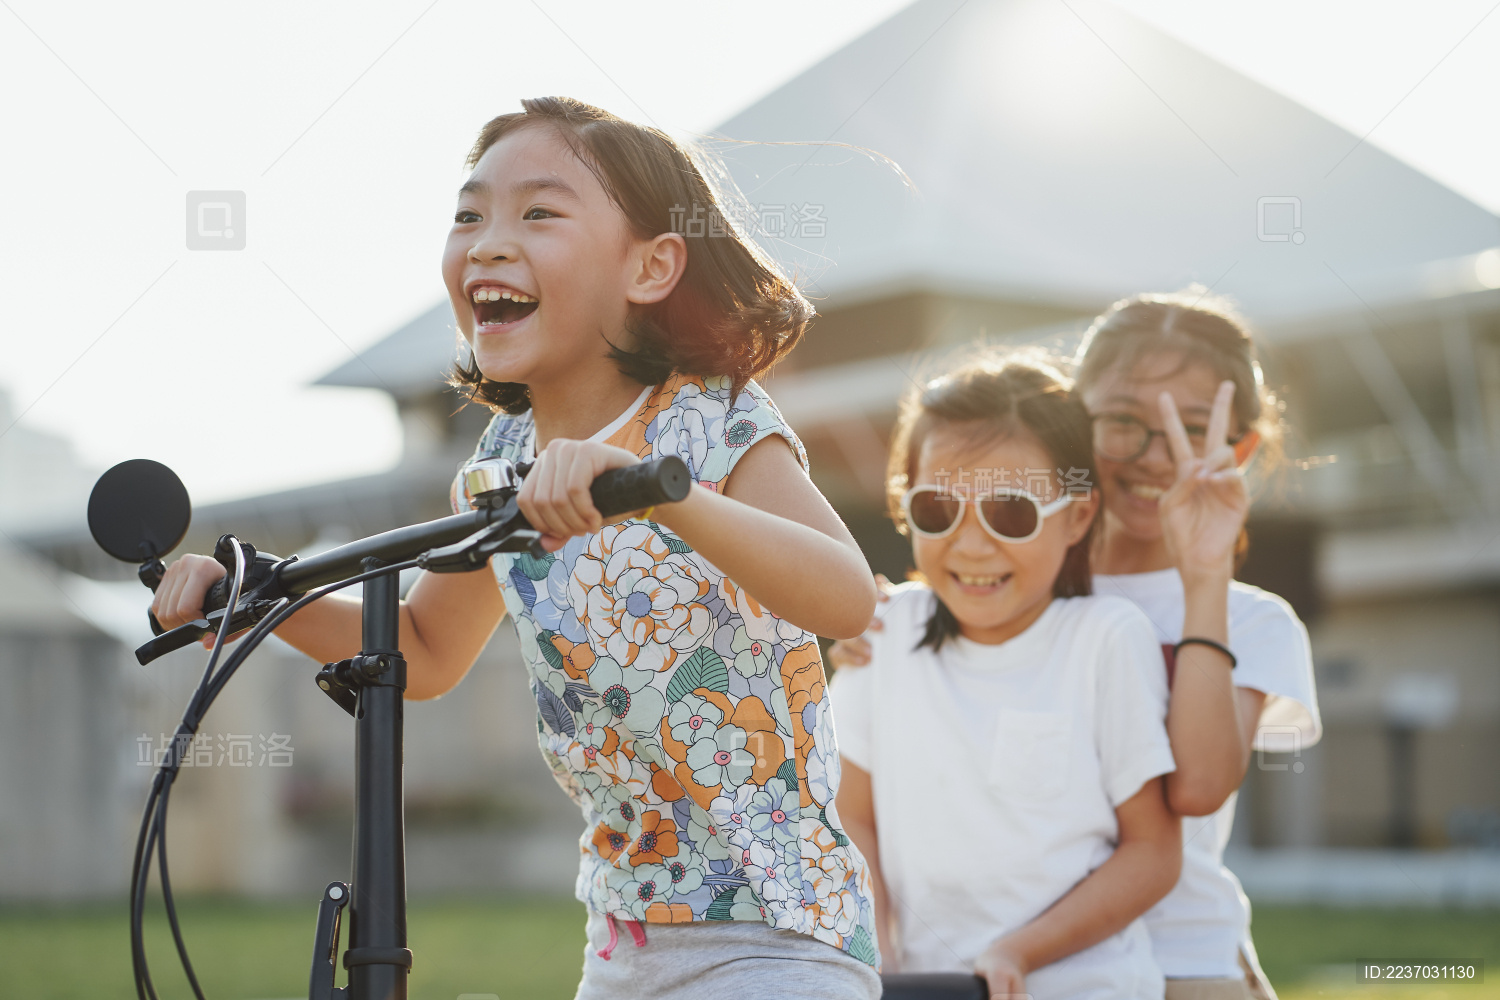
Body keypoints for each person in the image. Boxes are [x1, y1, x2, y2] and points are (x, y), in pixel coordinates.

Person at [152, 97, 884, 1000]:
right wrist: (257, 602)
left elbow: (845, 596)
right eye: (470, 216)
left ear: (652, 266)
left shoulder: (708, 419)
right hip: (623, 940)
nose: (489, 244)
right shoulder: (499, 466)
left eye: (538, 213)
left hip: (779, 932)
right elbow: (422, 649)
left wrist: (661, 491)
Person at [831, 290, 1322, 1000]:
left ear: (1239, 447)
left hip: (1184, 959)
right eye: (1123, 421)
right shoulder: (1005, 579)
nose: (1158, 454)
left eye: (1192, 429)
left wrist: (1204, 576)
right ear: (1077, 419)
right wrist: (874, 621)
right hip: (985, 971)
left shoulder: (1248, 620)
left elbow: (1196, 788)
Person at [829, 353, 1183, 1000]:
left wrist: (1018, 953)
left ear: (1077, 517)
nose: (971, 544)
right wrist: (875, 956)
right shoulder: (879, 632)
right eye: (937, 509)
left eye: (1011, 513)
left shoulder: (1106, 640)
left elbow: (1154, 854)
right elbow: (852, 819)